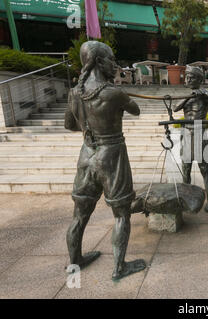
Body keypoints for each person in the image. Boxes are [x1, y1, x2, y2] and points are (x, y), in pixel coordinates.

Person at [64, 41, 146, 281]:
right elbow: (136, 110)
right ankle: (119, 268)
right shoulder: (114, 93)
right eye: (111, 60)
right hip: (111, 156)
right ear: (99, 62)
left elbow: (70, 125)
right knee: (121, 214)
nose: (115, 65)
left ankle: (74, 261)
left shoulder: (75, 92)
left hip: (86, 155)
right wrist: (118, 95)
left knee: (79, 214)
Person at [173, 66, 208, 212]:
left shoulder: (204, 97)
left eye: (192, 77)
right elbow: (176, 108)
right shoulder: (186, 97)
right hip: (186, 134)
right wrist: (190, 96)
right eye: (187, 77)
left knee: (203, 168)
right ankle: (186, 198)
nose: (188, 79)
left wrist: (205, 93)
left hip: (199, 133)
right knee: (186, 168)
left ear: (200, 80)